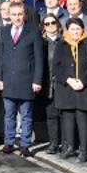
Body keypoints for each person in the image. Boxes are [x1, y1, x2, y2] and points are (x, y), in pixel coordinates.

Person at [0, 2, 44, 157]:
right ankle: (8, 143)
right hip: (8, 80)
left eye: (19, 14)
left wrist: (37, 80)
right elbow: (0, 56)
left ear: (24, 15)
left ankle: (25, 145)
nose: (17, 17)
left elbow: (39, 58)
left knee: (26, 115)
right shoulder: (4, 31)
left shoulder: (33, 31)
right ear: (9, 15)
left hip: (27, 81)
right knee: (9, 114)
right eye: (14, 14)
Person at [54, 18, 87, 163]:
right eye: (72, 29)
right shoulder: (61, 45)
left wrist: (83, 81)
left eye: (78, 29)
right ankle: (69, 147)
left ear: (83, 30)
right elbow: (56, 67)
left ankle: (84, 149)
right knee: (67, 117)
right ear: (67, 30)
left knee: (82, 118)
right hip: (66, 87)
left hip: (83, 87)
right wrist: (68, 80)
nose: (75, 32)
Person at [39, 14, 63, 155]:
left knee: (65, 115)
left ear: (58, 24)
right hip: (47, 84)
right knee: (51, 115)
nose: (50, 26)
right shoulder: (41, 42)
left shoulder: (64, 41)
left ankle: (66, 143)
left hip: (62, 84)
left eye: (53, 23)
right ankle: (53, 143)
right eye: (46, 24)